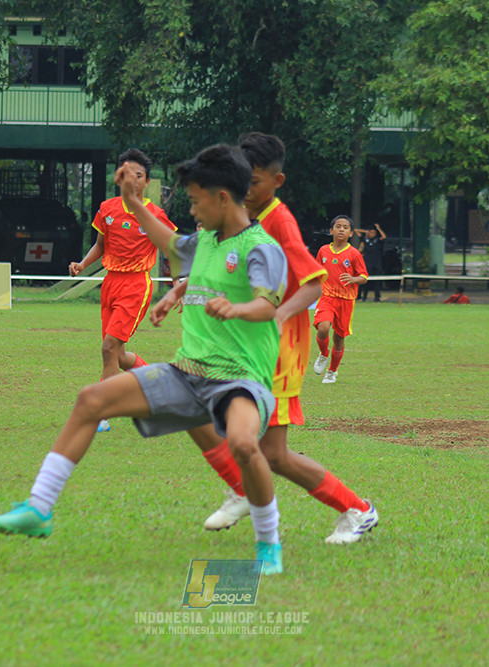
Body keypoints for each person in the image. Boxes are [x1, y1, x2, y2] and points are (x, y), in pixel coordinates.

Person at [0, 144, 289, 575]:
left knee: (242, 443)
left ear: (223, 198)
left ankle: (268, 542)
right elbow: (164, 239)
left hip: (239, 379)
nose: (192, 210)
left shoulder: (261, 248)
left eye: (197, 200)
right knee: (92, 400)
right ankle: (39, 509)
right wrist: (131, 204)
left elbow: (267, 305)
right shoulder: (203, 242)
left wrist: (236, 309)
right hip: (187, 373)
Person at [158, 133, 378, 545]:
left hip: (278, 350)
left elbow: (312, 283)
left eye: (255, 183)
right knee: (257, 444)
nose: (246, 190)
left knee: (234, 429)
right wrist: (181, 288)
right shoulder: (241, 217)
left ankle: (353, 509)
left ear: (276, 182)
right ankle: (348, 507)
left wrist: (277, 317)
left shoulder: (279, 221)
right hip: (247, 343)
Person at [69, 148, 177, 432]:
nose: (134, 180)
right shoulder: (107, 209)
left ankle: (102, 411)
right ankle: (158, 383)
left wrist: (177, 282)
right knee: (117, 355)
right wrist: (82, 264)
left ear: (146, 180)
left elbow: (172, 248)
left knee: (108, 348)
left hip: (136, 285)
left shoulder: (154, 214)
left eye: (139, 175)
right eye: (128, 174)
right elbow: (100, 245)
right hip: (110, 283)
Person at [313, 215, 368, 385]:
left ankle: (332, 371)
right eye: (338, 226)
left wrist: (353, 279)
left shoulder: (354, 253)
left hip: (346, 300)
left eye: (345, 227)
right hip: (327, 296)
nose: (341, 229)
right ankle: (323, 354)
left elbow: (364, 276)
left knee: (339, 337)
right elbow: (317, 272)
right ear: (331, 231)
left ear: (351, 233)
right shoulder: (323, 251)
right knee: (322, 328)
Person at [355, 223, 386, 302]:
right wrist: (366, 231)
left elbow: (384, 237)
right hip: (367, 263)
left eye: (374, 233)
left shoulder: (377, 240)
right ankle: (363, 297)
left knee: (377, 281)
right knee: (365, 281)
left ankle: (377, 297)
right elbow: (356, 230)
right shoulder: (365, 239)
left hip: (377, 263)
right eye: (371, 233)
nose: (372, 234)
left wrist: (378, 228)